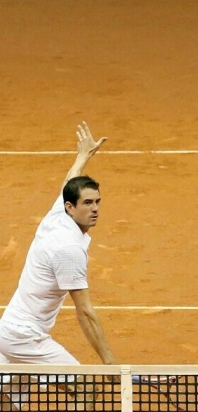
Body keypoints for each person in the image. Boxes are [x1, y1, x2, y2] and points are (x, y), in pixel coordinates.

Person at [0, 122, 117, 409]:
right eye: (87, 203)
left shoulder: (58, 215)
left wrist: (83, 157)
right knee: (86, 389)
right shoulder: (68, 250)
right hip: (24, 338)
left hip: (9, 332)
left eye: (98, 202)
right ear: (71, 207)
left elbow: (69, 184)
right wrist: (111, 363)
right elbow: (85, 313)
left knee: (9, 400)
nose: (95, 209)